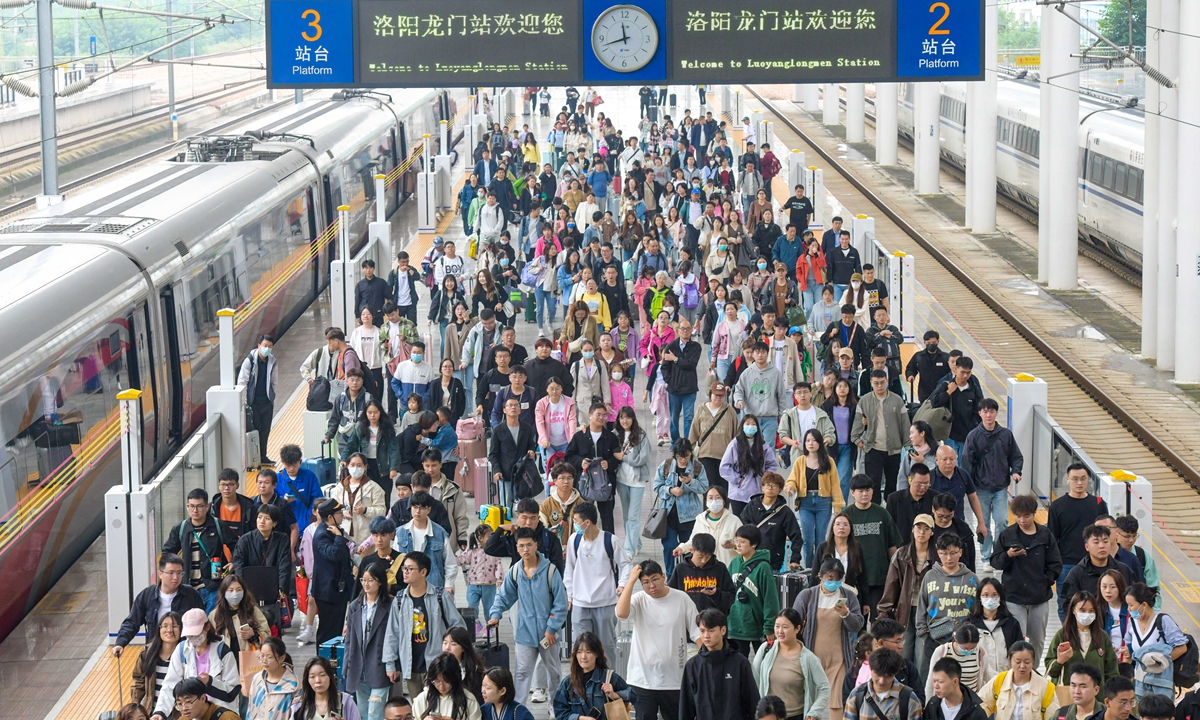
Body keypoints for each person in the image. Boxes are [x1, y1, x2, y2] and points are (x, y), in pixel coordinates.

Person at [487, 526, 568, 706]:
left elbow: (561, 604)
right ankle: (518, 712)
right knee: (522, 674)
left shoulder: (550, 571)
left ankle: (556, 710)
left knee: (554, 673)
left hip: (549, 635)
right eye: (521, 546)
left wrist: (552, 628)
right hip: (524, 633)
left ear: (536, 545)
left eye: (529, 545)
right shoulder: (516, 571)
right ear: (516, 547)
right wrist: (495, 615)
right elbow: (503, 596)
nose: (525, 549)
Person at [616, 560, 700, 720]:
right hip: (642, 679)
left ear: (663, 576)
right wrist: (631, 581)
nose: (651, 586)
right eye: (645, 582)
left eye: (655, 579)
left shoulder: (681, 598)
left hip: (675, 679)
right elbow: (621, 614)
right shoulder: (639, 599)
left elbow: (697, 633)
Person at [383, 552, 466, 698]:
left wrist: (453, 654)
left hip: (437, 665)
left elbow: (458, 627)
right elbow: (392, 633)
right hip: (411, 666)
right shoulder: (400, 599)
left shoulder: (440, 596)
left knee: (438, 706)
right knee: (418, 709)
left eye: (410, 569)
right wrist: (390, 665)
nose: (405, 572)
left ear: (423, 572)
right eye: (404, 568)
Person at [990, 494, 1061, 658]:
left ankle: (1033, 672)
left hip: (1039, 597)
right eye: (1018, 516)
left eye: (1026, 516)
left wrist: (1046, 581)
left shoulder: (1045, 535)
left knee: (1038, 640)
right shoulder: (1007, 535)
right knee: (1016, 640)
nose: (1022, 520)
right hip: (1014, 597)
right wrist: (1008, 555)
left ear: (1034, 513)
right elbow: (995, 562)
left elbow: (1056, 563)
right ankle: (1016, 672)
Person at [796, 557, 865, 717]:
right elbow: (794, 622)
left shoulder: (849, 596)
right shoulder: (807, 595)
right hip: (812, 657)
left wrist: (846, 614)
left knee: (837, 701)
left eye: (838, 578)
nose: (833, 582)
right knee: (812, 700)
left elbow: (857, 624)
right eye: (830, 578)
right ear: (820, 576)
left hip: (839, 659)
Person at [564, 502, 632, 654]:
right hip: (580, 604)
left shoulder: (610, 540)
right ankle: (583, 678)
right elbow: (569, 569)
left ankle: (608, 677)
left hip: (606, 603)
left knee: (606, 648)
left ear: (587, 523)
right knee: (581, 649)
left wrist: (622, 584)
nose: (574, 524)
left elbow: (626, 564)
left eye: (576, 521)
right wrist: (569, 595)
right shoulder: (574, 541)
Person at [961, 398, 1023, 560]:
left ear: (996, 413)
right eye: (985, 411)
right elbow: (966, 462)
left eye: (991, 411)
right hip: (980, 488)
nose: (988, 415)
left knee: (1002, 521)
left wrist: (1016, 471)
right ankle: (986, 556)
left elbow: (1016, 456)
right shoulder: (973, 437)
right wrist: (968, 487)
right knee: (984, 523)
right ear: (980, 413)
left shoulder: (1006, 435)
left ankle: (999, 553)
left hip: (1000, 487)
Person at [153, 608, 241, 717]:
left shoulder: (223, 651)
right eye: (189, 635)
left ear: (207, 627)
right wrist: (160, 712)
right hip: (193, 715)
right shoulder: (181, 650)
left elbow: (233, 690)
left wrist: (210, 682)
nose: (192, 638)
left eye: (196, 633)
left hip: (219, 714)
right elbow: (170, 685)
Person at [1048, 464, 1110, 617]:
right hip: (1066, 564)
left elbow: (1106, 532)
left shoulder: (1098, 504)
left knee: (1097, 603)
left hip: (1095, 563)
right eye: (1075, 479)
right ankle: (1070, 637)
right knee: (1066, 605)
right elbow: (1052, 538)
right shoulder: (1057, 506)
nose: (1080, 483)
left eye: (1083, 479)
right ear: (1067, 480)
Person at [750, 608, 832, 720]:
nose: (780, 631)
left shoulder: (809, 658)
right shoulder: (766, 649)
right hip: (769, 716)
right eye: (777, 626)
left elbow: (824, 687)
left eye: (785, 627)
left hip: (795, 716)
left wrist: (814, 712)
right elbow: (754, 679)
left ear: (797, 628)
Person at [680, 609, 761, 720]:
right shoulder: (692, 666)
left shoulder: (740, 663)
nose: (706, 636)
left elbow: (752, 703)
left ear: (723, 630)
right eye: (702, 631)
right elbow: (686, 708)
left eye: (711, 630)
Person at [916, 533, 980, 673]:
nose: (949, 558)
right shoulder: (929, 576)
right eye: (944, 553)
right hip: (934, 640)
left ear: (960, 552)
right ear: (938, 553)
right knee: (931, 681)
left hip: (963, 642)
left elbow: (978, 611)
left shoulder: (972, 579)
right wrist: (924, 636)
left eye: (953, 553)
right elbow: (921, 606)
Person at [878, 514, 936, 664]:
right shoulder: (901, 554)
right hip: (905, 610)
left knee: (922, 657)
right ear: (912, 529)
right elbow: (891, 586)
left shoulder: (937, 556)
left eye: (926, 528)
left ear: (932, 532)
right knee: (903, 652)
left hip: (928, 612)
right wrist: (884, 612)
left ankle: (919, 687)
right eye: (918, 527)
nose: (921, 532)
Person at [842, 473, 901, 618]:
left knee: (879, 620)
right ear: (852, 492)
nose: (864, 494)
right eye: (860, 491)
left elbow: (892, 545)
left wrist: (897, 571)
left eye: (868, 490)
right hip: (855, 578)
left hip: (879, 577)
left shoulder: (882, 513)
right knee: (857, 623)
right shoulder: (846, 515)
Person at [784, 428, 843, 569]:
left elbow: (835, 484)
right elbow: (792, 479)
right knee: (808, 538)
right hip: (805, 502)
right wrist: (790, 487)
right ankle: (810, 569)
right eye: (808, 440)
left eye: (814, 440)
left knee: (820, 538)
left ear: (820, 443)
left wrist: (838, 505)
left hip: (824, 502)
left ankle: (821, 568)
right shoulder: (800, 461)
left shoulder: (828, 461)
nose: (811, 443)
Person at [1121, 583, 1189, 699]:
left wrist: (1160, 661)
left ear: (1143, 605)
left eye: (1131, 605)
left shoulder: (1163, 621)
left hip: (1161, 684)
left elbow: (1182, 647)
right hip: (1140, 684)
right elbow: (1129, 650)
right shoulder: (1132, 622)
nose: (1129, 609)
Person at [852, 370, 910, 504]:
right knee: (873, 483)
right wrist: (857, 440)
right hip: (873, 449)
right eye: (876, 383)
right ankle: (876, 510)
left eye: (882, 383)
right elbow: (857, 424)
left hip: (893, 450)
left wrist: (907, 446)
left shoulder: (897, 400)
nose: (879, 386)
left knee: (893, 483)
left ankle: (890, 512)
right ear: (871, 383)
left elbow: (905, 424)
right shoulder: (864, 401)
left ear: (887, 382)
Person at [345, 564, 394, 720]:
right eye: (363, 580)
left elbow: (394, 637)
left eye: (370, 580)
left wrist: (394, 664)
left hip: (380, 665)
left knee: (375, 712)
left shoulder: (390, 606)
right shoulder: (354, 606)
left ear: (380, 582)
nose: (366, 584)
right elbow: (349, 640)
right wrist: (347, 664)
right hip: (359, 667)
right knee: (364, 713)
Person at [552, 632, 637, 720]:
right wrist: (579, 718)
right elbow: (560, 712)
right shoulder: (568, 683)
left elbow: (634, 697)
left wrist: (614, 695)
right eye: (579, 652)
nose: (583, 656)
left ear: (597, 653)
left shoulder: (608, 677)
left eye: (588, 652)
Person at [727, 525, 781, 657]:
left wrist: (769, 626)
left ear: (754, 544)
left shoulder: (763, 567)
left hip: (758, 626)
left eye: (743, 541)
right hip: (735, 626)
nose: (738, 545)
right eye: (736, 540)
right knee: (738, 667)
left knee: (762, 666)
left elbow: (770, 599)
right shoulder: (734, 563)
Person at [1047, 592, 1119, 688]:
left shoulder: (1102, 637)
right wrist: (1059, 661)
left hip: (1097, 698)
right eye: (1082, 610)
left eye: (1091, 611)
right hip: (1068, 698)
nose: (1087, 614)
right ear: (1073, 610)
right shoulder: (1062, 635)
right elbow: (1051, 671)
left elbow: (1112, 671)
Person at [1061, 525, 1135, 618]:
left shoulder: (1123, 570)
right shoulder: (1076, 573)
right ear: (1087, 546)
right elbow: (1067, 602)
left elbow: (1134, 597)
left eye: (1105, 541)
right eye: (1096, 542)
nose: (1101, 546)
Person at [977, 640, 1061, 720]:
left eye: (1027, 662)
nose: (1022, 666)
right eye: (1018, 662)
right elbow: (982, 703)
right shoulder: (999, 681)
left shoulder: (1046, 687)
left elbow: (1053, 715)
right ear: (1010, 661)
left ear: (1033, 662)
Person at [848, 619, 925, 705]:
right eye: (897, 642)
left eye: (902, 641)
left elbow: (919, 700)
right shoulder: (857, 669)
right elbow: (848, 704)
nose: (901, 646)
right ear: (881, 642)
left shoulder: (906, 668)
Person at [396, 491, 460, 590]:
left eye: (422, 508)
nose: (418, 511)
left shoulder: (439, 533)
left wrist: (448, 584)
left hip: (434, 586)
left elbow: (450, 563)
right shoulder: (400, 532)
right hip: (406, 587)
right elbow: (396, 562)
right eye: (415, 507)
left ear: (429, 509)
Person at [312, 499, 355, 646]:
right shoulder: (322, 535)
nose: (342, 516)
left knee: (335, 629)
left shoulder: (333, 530)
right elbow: (334, 554)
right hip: (328, 592)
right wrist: (338, 537)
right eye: (339, 513)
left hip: (337, 590)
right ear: (330, 517)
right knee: (328, 631)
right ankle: (323, 662)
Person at [733, 341, 790, 449]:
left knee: (768, 447)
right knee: (750, 446)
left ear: (767, 354)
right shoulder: (747, 373)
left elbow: (781, 396)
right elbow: (738, 390)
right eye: (757, 352)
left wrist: (782, 416)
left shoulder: (775, 373)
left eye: (763, 352)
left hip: (770, 418)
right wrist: (739, 401)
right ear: (753, 354)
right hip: (751, 418)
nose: (760, 355)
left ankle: (768, 466)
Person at [721, 414, 781, 516]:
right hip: (738, 493)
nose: (750, 427)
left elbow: (772, 465)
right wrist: (738, 480)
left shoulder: (763, 445)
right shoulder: (735, 444)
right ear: (742, 426)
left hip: (757, 491)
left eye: (753, 424)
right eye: (747, 424)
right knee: (740, 523)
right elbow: (724, 467)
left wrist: (764, 478)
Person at [485, 497, 566, 572]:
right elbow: (489, 548)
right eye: (524, 518)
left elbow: (558, 568)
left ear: (538, 518)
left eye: (532, 518)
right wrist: (500, 528)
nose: (528, 523)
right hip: (518, 585)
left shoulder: (550, 539)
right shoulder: (513, 537)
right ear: (517, 518)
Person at [613, 407, 653, 558]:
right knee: (626, 515)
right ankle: (636, 543)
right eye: (622, 418)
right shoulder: (615, 434)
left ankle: (629, 550)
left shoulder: (641, 436)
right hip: (621, 480)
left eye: (627, 417)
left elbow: (642, 458)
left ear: (633, 419)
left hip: (637, 482)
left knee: (633, 516)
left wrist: (624, 457)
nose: (624, 421)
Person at [965, 578, 1025, 676]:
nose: (990, 599)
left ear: (1000, 597)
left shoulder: (1011, 624)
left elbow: (1019, 653)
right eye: (985, 595)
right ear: (979, 598)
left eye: (994, 595)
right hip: (978, 680)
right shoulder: (970, 625)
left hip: (1005, 678)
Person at [842, 649, 923, 720]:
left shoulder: (909, 699)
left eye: (887, 676)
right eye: (878, 674)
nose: (881, 681)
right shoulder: (856, 696)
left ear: (895, 673)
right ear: (870, 668)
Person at [489, 397, 539, 512]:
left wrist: (532, 452)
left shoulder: (527, 428)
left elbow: (531, 445)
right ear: (504, 410)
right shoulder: (498, 430)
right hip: (506, 474)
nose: (513, 408)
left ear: (520, 410)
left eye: (516, 405)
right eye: (510, 405)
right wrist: (497, 470)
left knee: (526, 508)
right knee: (506, 509)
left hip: (524, 474)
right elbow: (493, 454)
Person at [688, 383, 738, 495]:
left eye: (721, 395)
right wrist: (689, 454)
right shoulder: (701, 410)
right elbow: (693, 433)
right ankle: (707, 511)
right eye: (716, 395)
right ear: (710, 394)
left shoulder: (730, 412)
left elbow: (736, 435)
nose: (718, 398)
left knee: (723, 490)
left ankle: (724, 511)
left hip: (725, 457)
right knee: (709, 489)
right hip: (706, 456)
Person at [669, 532, 736, 615]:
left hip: (714, 621)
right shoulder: (680, 569)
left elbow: (731, 598)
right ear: (691, 550)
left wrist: (716, 594)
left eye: (708, 556)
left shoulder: (720, 568)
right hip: (687, 620)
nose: (704, 560)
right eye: (700, 556)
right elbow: (671, 596)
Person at [930, 446, 986, 544]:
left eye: (952, 459)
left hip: (958, 524)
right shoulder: (930, 478)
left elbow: (973, 498)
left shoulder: (963, 475)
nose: (948, 462)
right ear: (937, 460)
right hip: (936, 526)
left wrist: (981, 522)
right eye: (944, 459)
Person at [675, 485, 743, 567]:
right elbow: (693, 542)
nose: (714, 501)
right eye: (710, 498)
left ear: (724, 501)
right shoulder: (700, 520)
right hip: (705, 569)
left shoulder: (734, 520)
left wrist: (735, 545)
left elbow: (744, 542)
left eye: (718, 498)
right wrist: (682, 548)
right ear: (706, 501)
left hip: (728, 568)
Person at [928, 357, 983, 458]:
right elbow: (934, 402)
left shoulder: (974, 388)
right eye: (962, 372)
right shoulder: (946, 384)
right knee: (950, 463)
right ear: (956, 369)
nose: (965, 376)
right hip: (949, 434)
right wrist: (948, 393)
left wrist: (972, 426)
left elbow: (980, 410)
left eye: (968, 373)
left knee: (964, 465)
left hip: (966, 436)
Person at [662, 317, 704, 443]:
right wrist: (670, 380)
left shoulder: (696, 347)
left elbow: (691, 364)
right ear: (678, 331)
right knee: (674, 418)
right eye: (682, 329)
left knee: (688, 417)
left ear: (691, 331)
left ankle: (687, 442)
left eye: (688, 329)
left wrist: (675, 359)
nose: (685, 331)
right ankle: (675, 442)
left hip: (689, 389)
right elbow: (664, 367)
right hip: (674, 390)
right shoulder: (671, 346)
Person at [208, 574, 269, 659]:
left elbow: (267, 635)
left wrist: (254, 634)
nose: (235, 594)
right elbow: (210, 640)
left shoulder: (252, 610)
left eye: (239, 590)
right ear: (223, 592)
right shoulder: (215, 614)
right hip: (224, 661)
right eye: (230, 590)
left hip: (249, 660)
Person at [238, 334, 278, 464]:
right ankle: (253, 457)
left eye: (270, 347)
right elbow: (242, 382)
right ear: (259, 345)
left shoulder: (272, 361)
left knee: (265, 430)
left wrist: (272, 398)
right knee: (256, 430)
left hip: (266, 402)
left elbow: (274, 382)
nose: (267, 349)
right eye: (265, 346)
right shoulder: (250, 360)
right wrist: (244, 402)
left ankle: (262, 456)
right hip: (253, 402)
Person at [132, 611, 182, 713]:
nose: (169, 630)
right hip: (152, 710)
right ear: (159, 629)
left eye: (174, 626)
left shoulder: (186, 654)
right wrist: (136, 706)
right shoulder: (147, 652)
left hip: (178, 713)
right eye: (165, 626)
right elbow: (138, 681)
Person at [924, 624, 990, 700]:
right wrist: (928, 704)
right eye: (965, 648)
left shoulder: (980, 652)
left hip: (971, 701)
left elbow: (986, 675)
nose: (969, 651)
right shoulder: (942, 651)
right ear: (955, 639)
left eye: (972, 648)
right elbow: (931, 681)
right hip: (946, 701)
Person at [810, 512, 867, 595]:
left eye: (845, 525)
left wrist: (866, 602)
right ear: (832, 527)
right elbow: (814, 574)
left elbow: (863, 576)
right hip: (826, 593)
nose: (841, 527)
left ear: (850, 528)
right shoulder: (823, 547)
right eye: (838, 524)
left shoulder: (856, 548)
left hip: (850, 594)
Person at [245, 636, 299, 720]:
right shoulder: (257, 679)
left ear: (282, 658)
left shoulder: (294, 685)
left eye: (269, 657)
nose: (264, 660)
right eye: (262, 656)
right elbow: (250, 710)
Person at [887, 463, 935, 546]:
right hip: (902, 548)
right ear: (909, 480)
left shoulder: (935, 498)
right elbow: (889, 528)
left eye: (926, 484)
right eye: (919, 484)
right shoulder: (894, 499)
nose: (923, 487)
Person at [930, 493, 977, 574]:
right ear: (933, 509)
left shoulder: (963, 530)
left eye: (949, 516)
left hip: (958, 574)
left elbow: (971, 558)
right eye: (940, 516)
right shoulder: (925, 527)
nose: (944, 519)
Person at [161, 677, 241, 720]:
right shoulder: (185, 718)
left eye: (188, 702)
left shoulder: (228, 718)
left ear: (203, 698)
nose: (184, 708)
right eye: (179, 704)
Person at [905, 332, 950, 404]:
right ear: (924, 343)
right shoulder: (918, 356)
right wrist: (910, 375)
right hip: (924, 393)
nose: (931, 344)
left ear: (938, 342)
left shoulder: (945, 357)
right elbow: (910, 368)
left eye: (934, 342)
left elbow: (951, 373)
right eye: (928, 342)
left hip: (941, 393)